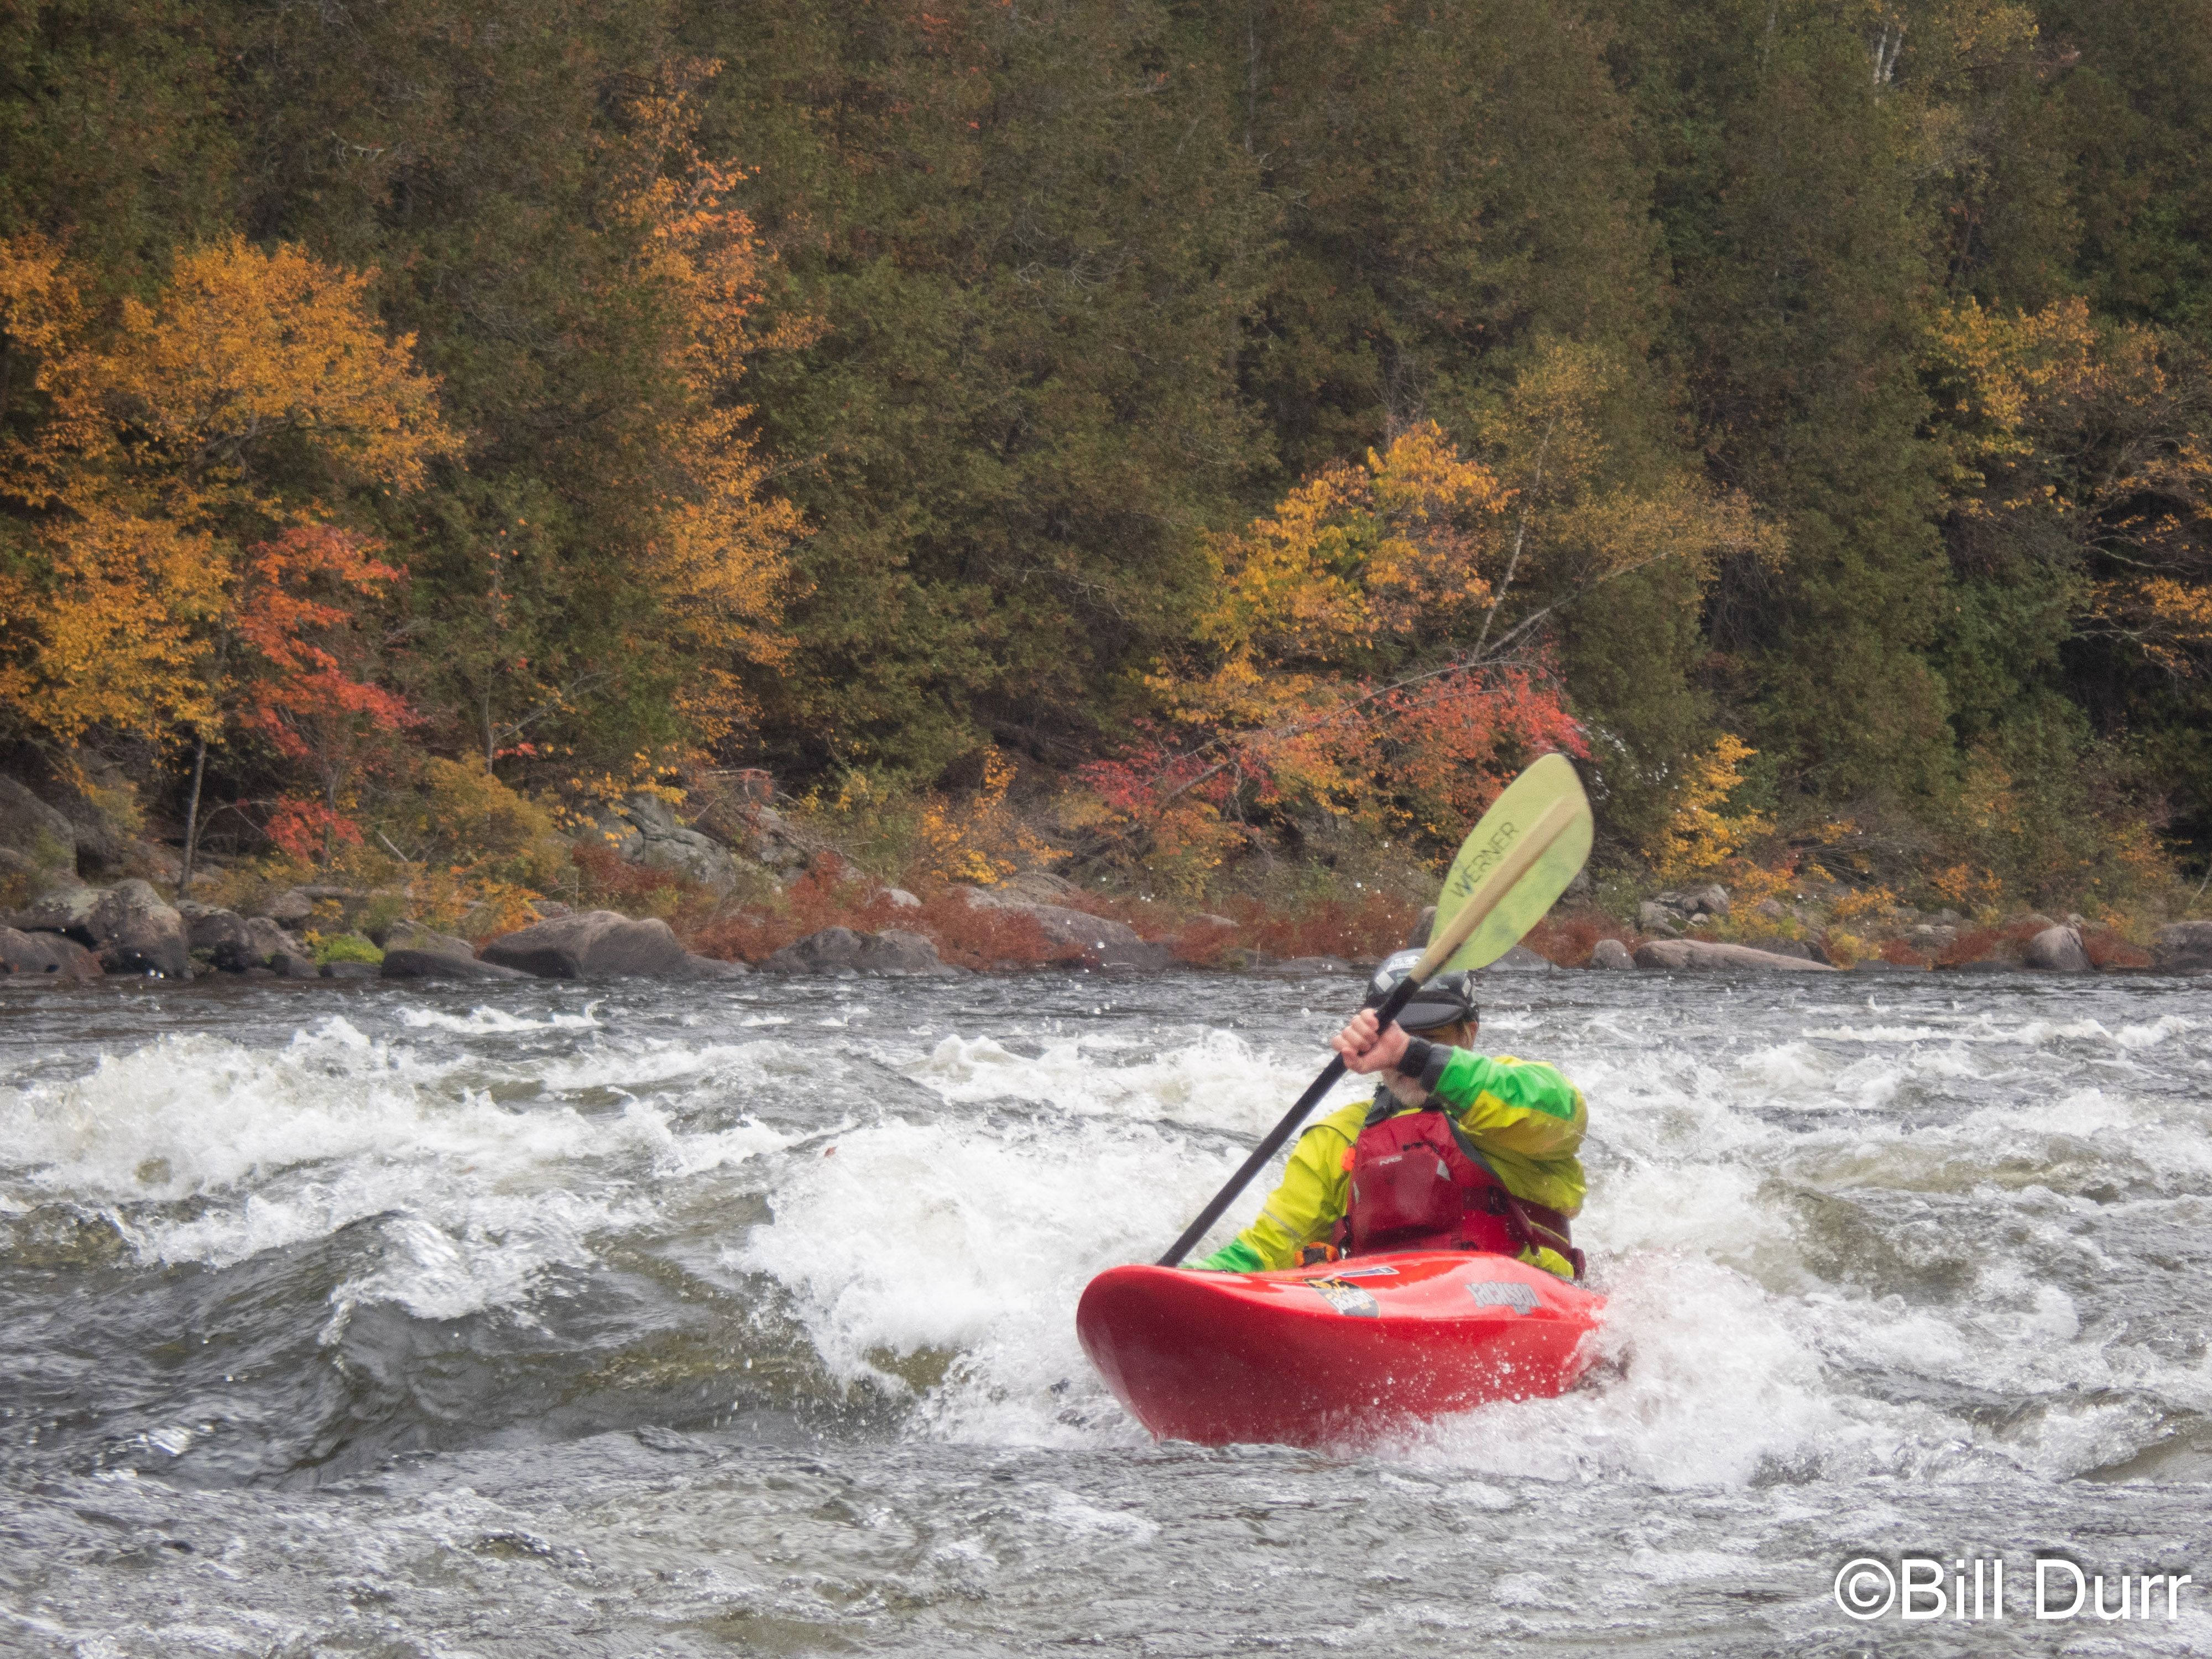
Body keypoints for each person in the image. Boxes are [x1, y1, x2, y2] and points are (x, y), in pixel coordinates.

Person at [1191, 949, 1588, 1279]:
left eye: (1428, 1038)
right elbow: (1267, 1249)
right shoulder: (1337, 1136)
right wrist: (1182, 1281)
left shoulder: (1524, 1095)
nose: (1401, 1057)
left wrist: (1417, 1057)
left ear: (1469, 1033)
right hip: (1389, 1306)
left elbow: (1561, 1113)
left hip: (1527, 1295)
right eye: (1393, 1041)